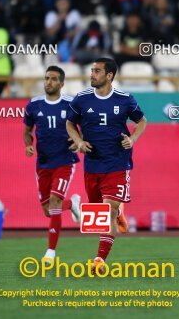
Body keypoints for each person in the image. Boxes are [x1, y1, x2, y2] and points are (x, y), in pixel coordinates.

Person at [66, 57, 147, 274]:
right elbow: (69, 123)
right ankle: (118, 213)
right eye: (92, 70)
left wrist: (132, 140)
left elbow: (141, 121)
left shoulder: (125, 99)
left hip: (117, 163)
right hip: (92, 165)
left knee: (108, 210)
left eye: (97, 71)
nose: (92, 74)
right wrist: (79, 142)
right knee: (99, 218)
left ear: (109, 75)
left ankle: (99, 260)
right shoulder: (81, 99)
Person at [23, 66, 81, 263]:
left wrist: (77, 141)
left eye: (54, 79)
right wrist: (29, 145)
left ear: (62, 84)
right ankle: (72, 203)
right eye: (47, 78)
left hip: (64, 161)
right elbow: (27, 131)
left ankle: (51, 252)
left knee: (55, 202)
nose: (49, 82)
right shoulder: (34, 105)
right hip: (43, 163)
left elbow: (83, 129)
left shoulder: (71, 104)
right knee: (48, 210)